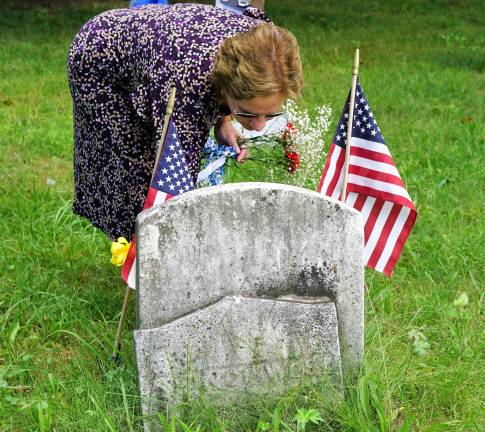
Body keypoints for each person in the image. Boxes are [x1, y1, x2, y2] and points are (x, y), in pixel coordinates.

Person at [67, 3, 303, 241]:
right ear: (228, 90)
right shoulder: (187, 84)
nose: (259, 126)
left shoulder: (266, 47)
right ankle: (142, 259)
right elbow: (177, 184)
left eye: (269, 114)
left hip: (164, 52)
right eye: (249, 113)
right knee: (138, 171)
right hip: (100, 57)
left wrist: (224, 121)